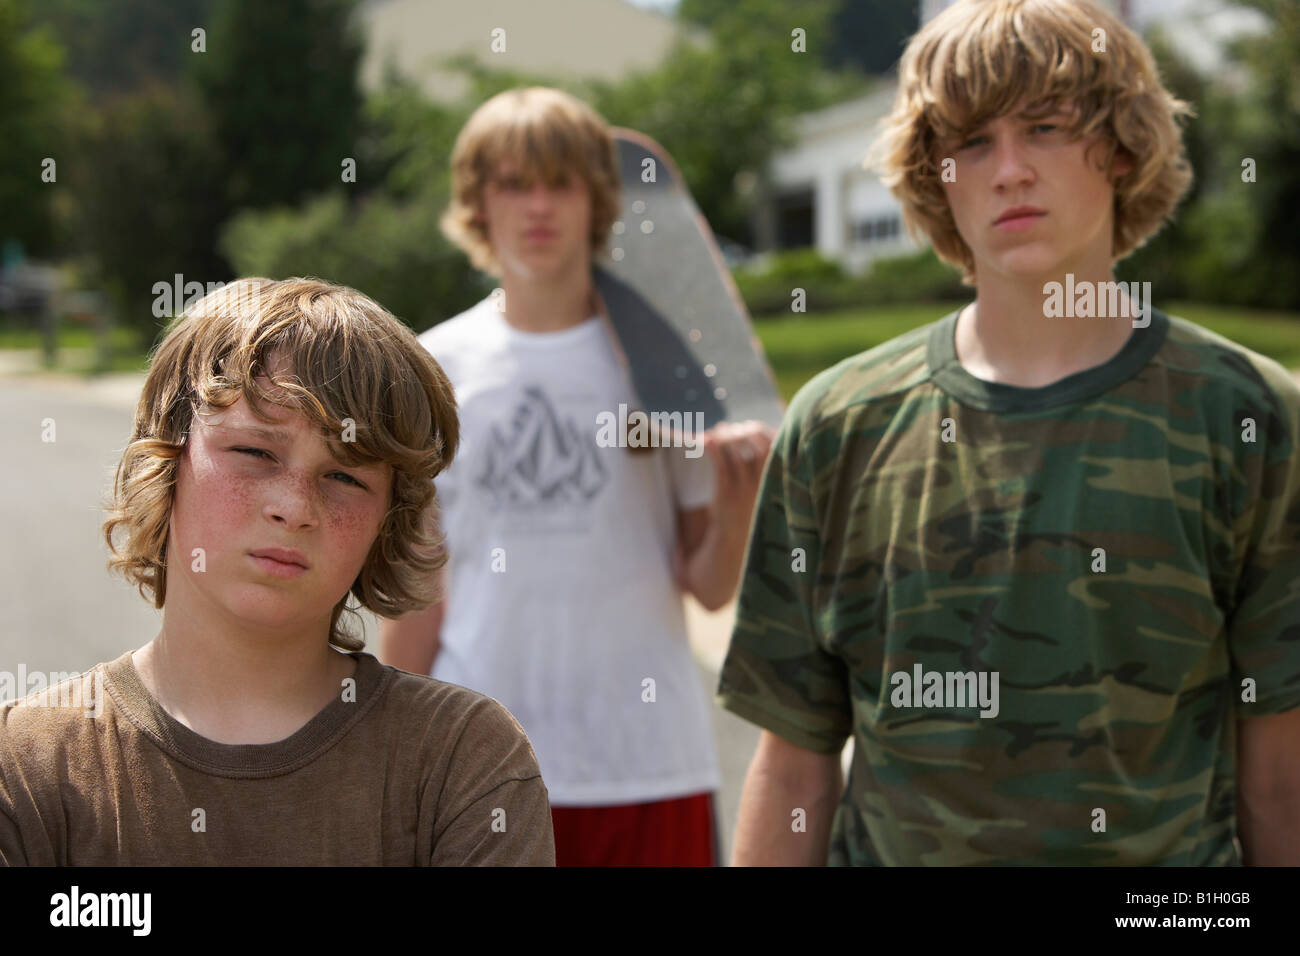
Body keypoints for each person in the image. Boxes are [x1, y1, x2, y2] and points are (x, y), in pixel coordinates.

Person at [720, 0, 1300, 866]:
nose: (1010, 170)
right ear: (934, 177)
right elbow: (796, 764)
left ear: (1124, 148)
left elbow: (1279, 776)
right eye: (971, 142)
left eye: (1046, 127)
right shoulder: (840, 423)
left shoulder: (1247, 415)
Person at [0, 277, 555, 866]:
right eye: (255, 453)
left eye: (345, 477)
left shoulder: (465, 761)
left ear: (387, 521)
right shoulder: (30, 766)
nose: (293, 507)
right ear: (165, 457)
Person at [378, 87, 774, 866]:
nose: (538, 206)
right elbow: (421, 586)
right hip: (478, 764)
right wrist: (386, 751)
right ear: (476, 203)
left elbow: (710, 587)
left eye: (560, 182)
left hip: (646, 759)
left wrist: (738, 498)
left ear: (599, 201)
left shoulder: (667, 363)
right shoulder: (431, 370)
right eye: (514, 183)